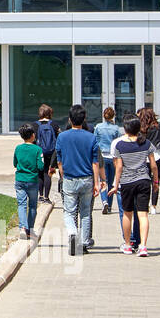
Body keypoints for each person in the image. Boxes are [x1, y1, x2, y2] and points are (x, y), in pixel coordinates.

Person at [55, 104, 103, 256]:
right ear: (84, 120)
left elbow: (59, 161)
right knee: (85, 212)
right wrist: (97, 183)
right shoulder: (91, 137)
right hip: (87, 179)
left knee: (69, 212)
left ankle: (72, 234)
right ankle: (82, 243)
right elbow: (95, 162)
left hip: (69, 178)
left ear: (69, 119)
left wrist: (63, 176)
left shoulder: (62, 136)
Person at [114, 114, 159, 256]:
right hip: (143, 181)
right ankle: (143, 246)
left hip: (127, 183)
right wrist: (156, 182)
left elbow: (119, 167)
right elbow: (153, 166)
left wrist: (116, 185)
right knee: (143, 215)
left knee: (127, 214)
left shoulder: (120, 145)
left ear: (126, 128)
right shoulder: (146, 143)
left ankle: (127, 245)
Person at [13, 123, 45, 240]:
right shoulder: (37, 149)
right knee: (32, 206)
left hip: (20, 179)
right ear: (32, 135)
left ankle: (22, 227)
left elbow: (15, 164)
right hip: (32, 180)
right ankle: (30, 230)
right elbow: (40, 166)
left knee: (21, 204)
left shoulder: (18, 148)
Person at [138, 107, 160, 212]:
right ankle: (154, 205)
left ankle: (145, 205)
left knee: (145, 181)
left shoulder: (141, 128)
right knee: (156, 180)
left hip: (145, 157)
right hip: (158, 155)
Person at [93, 106, 121, 216]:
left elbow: (95, 141)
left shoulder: (98, 127)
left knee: (103, 180)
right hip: (112, 156)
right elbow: (119, 142)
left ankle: (104, 201)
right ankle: (109, 205)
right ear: (113, 116)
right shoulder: (116, 129)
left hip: (102, 155)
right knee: (111, 182)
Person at [35, 105, 58, 203]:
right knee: (48, 173)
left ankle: (40, 195)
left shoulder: (34, 125)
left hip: (38, 152)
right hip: (51, 152)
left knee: (40, 174)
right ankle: (46, 197)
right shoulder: (54, 125)